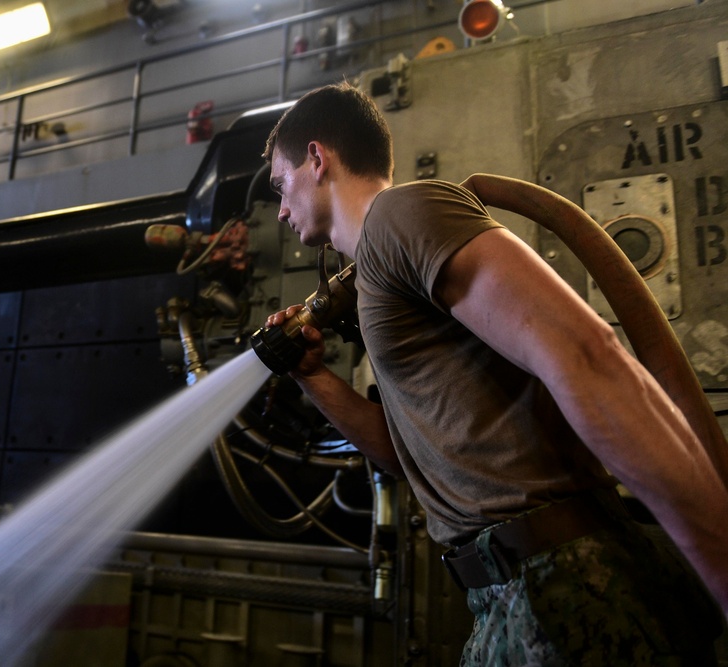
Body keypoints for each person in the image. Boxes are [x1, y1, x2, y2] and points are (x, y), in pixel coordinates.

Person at [262, 82, 728, 664]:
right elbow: (404, 454)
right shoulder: (379, 266)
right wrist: (312, 376)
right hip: (511, 593)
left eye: (282, 186)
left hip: (564, 579)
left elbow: (587, 357)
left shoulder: (403, 215)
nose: (280, 209)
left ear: (318, 157)